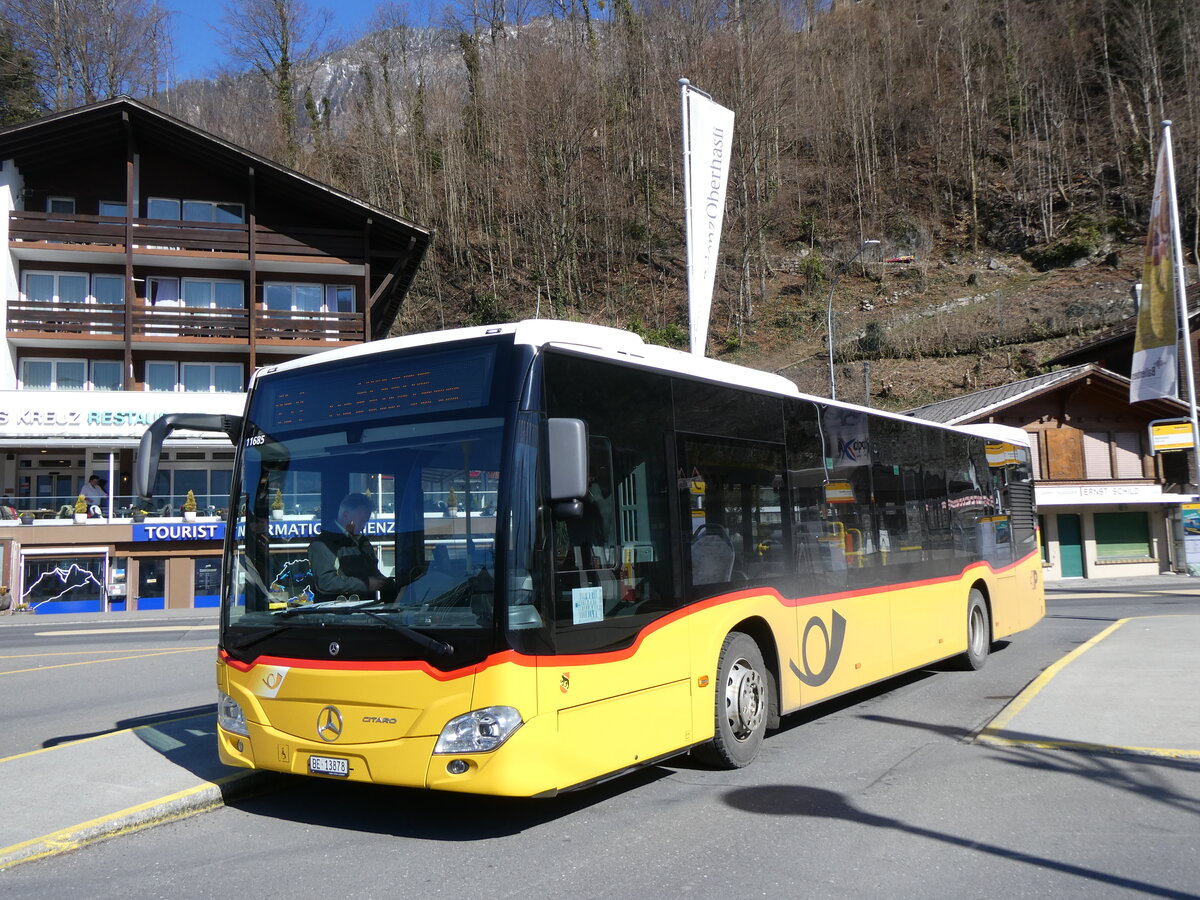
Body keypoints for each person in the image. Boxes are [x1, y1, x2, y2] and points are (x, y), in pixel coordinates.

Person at [307, 492, 394, 603]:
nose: (363, 526)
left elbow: (372, 570)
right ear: (345, 515)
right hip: (334, 615)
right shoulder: (322, 544)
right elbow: (326, 582)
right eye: (361, 521)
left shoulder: (362, 542)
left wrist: (382, 581)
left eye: (366, 522)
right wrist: (365, 584)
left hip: (366, 612)